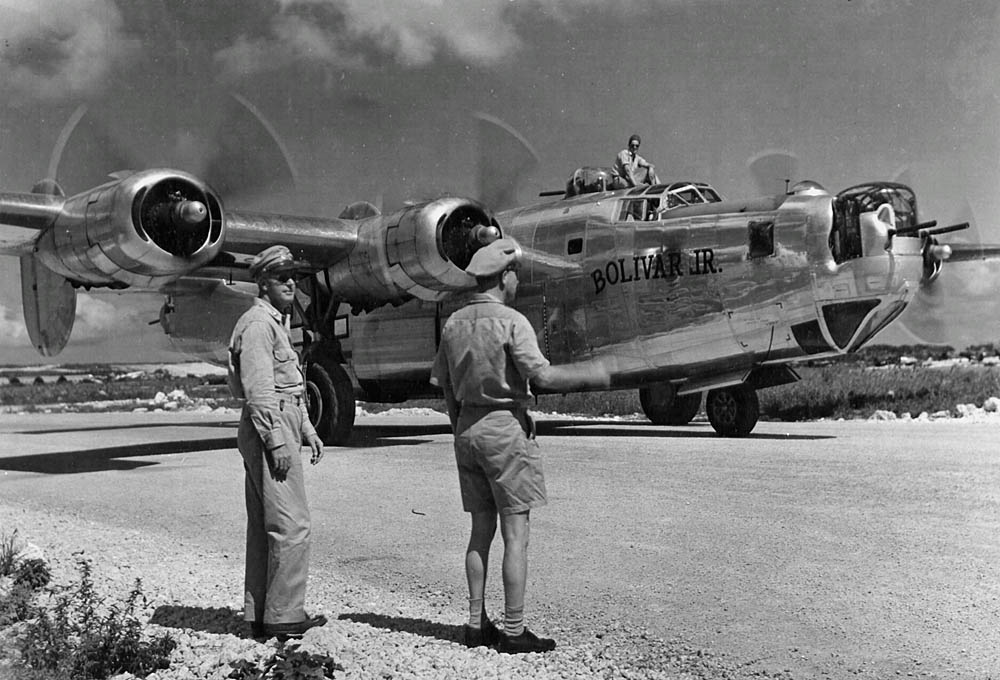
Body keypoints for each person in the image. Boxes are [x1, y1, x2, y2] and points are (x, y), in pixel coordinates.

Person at [431, 238, 611, 654]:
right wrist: (593, 373)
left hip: (467, 430)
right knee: (516, 535)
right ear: (503, 277)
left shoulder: (453, 323)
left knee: (480, 532)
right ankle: (514, 631)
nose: (516, 281)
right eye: (514, 274)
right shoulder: (512, 321)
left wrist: (461, 425)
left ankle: (475, 625)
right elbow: (542, 377)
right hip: (505, 431)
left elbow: (446, 390)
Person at [228, 244, 326, 640]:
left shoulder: (273, 323)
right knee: (291, 525)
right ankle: (284, 617)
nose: (291, 283)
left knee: (266, 526)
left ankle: (260, 614)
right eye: (282, 277)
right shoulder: (258, 324)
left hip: (280, 421)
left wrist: (307, 430)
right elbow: (259, 390)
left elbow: (289, 387)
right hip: (269, 426)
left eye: (294, 277)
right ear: (263, 282)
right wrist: (277, 441)